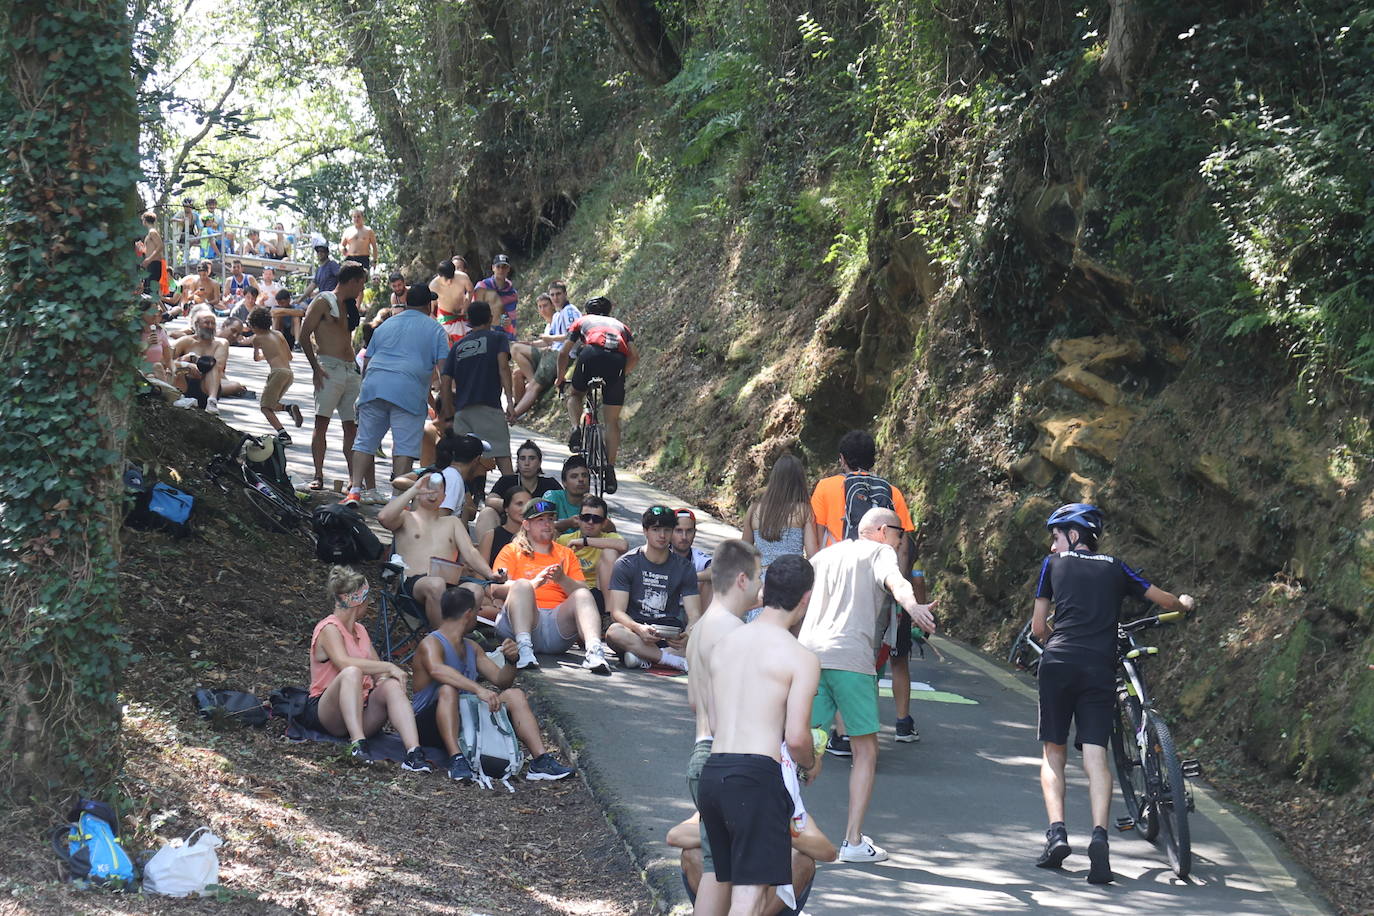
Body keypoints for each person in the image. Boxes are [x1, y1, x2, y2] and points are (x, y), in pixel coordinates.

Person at [1031, 503, 1195, 883]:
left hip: (1058, 664)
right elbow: (1165, 601)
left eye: (1056, 536)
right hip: (1098, 667)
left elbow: (1039, 627)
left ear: (1072, 535)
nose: (1054, 545)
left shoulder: (1052, 565)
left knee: (1053, 752)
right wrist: (1184, 603)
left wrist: (1058, 634)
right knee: (1096, 755)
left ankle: (1057, 835)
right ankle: (1100, 837)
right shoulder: (1115, 566)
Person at [796, 507, 937, 863]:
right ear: (879, 530)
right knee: (865, 752)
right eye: (898, 532)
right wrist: (914, 606)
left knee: (803, 745)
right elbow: (896, 581)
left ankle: (772, 823)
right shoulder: (880, 551)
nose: (900, 540)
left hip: (809, 657)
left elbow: (795, 597)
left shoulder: (825, 555)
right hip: (851, 661)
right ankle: (853, 841)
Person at [698, 554, 822, 914]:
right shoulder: (800, 658)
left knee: (722, 879)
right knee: (749, 896)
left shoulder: (725, 644)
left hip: (715, 770)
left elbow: (716, 721)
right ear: (806, 598)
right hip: (756, 778)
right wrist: (809, 762)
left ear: (764, 591)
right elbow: (797, 737)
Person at [811, 429, 923, 746]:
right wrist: (895, 588)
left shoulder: (826, 488)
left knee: (831, 649)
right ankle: (866, 730)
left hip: (834, 580)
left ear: (842, 459)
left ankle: (841, 732)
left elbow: (816, 537)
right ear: (874, 458)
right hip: (877, 586)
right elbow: (903, 546)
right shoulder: (893, 493)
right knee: (871, 657)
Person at [411, 587, 576, 782]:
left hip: (466, 719)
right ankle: (457, 759)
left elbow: (501, 681)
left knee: (514, 694)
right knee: (448, 689)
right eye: (478, 610)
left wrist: (511, 660)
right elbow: (438, 670)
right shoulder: (431, 643)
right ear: (468, 614)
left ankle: (540, 760)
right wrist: (478, 689)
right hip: (428, 724)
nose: (478, 615)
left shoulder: (472, 647)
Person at [682, 539, 764, 914]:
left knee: (720, 871)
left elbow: (696, 702)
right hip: (727, 757)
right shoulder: (734, 632)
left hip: (702, 754)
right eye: (759, 579)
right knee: (745, 876)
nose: (761, 589)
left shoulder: (700, 628)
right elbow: (730, 710)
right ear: (743, 579)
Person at [303, 566, 431, 772]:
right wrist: (389, 665)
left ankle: (414, 752)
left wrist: (385, 679)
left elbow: (378, 671)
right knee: (352, 672)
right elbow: (344, 662)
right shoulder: (329, 628)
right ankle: (358, 744)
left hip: (361, 710)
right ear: (358, 601)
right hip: (328, 713)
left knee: (390, 685)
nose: (370, 603)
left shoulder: (360, 630)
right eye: (367, 598)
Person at [344, 283, 449, 505]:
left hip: (374, 386)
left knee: (364, 442)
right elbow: (444, 369)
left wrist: (364, 391)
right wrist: (446, 402)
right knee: (404, 448)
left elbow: (368, 361)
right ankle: (396, 499)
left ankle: (354, 490)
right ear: (428, 304)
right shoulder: (435, 329)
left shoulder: (386, 325)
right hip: (408, 392)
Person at [490, 498, 611, 674]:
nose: (547, 524)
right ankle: (524, 650)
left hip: (557, 626)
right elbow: (495, 589)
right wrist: (533, 584)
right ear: (526, 524)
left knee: (584, 594)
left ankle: (594, 651)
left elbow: (583, 593)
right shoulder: (511, 550)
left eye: (550, 519)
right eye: (540, 520)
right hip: (523, 623)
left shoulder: (566, 553)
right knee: (523, 585)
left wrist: (562, 579)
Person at [378, 472, 502, 630]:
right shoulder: (405, 518)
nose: (431, 492)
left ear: (444, 497)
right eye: (427, 487)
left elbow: (470, 552)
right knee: (436, 584)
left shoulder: (452, 522)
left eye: (438, 489)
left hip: (449, 584)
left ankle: (458, 639)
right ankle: (441, 642)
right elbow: (383, 517)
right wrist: (415, 488)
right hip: (412, 587)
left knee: (475, 590)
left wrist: (490, 574)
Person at [604, 505, 701, 671]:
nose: (662, 535)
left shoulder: (684, 567)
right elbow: (617, 612)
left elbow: (694, 615)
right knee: (614, 632)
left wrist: (688, 634)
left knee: (703, 641)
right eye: (656, 529)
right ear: (645, 531)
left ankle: (643, 657)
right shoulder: (626, 564)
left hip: (669, 634)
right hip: (635, 632)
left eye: (667, 530)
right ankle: (668, 659)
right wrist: (638, 628)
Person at [558, 296, 637, 493]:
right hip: (617, 361)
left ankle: (576, 429)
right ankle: (609, 468)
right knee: (612, 422)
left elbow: (564, 352)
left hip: (591, 355)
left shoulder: (583, 321)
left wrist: (560, 377)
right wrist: (620, 376)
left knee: (575, 394)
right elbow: (634, 356)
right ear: (609, 312)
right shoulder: (621, 326)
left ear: (586, 312)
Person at [301, 261, 367, 491]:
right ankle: (318, 474)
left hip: (350, 369)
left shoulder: (349, 305)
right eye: (361, 284)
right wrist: (316, 368)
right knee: (322, 423)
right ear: (354, 281)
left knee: (351, 427)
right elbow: (303, 334)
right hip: (328, 366)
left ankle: (353, 480)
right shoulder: (323, 300)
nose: (362, 289)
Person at [439, 300, 514, 476]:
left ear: (468, 320)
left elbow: (445, 380)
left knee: (463, 463)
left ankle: (462, 500)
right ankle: (514, 498)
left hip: (463, 412)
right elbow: (503, 367)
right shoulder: (498, 338)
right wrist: (510, 402)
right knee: (502, 458)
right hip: (489, 408)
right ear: (490, 318)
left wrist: (449, 413)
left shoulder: (457, 346)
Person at [743, 453, 819, 570]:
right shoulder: (804, 511)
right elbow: (812, 554)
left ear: (774, 478)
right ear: (800, 481)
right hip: (793, 578)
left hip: (764, 580)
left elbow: (744, 552)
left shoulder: (754, 510)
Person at [555, 495, 628, 605]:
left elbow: (623, 546)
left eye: (596, 519)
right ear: (579, 519)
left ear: (604, 523)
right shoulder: (565, 540)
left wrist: (585, 541)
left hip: (599, 592)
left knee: (610, 552)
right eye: (586, 517)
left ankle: (608, 615)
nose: (590, 522)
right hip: (572, 590)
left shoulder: (608, 538)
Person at [171, 308, 246, 413]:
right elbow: (165, 359)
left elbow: (218, 366)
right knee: (177, 366)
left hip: (206, 385)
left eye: (213, 323)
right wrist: (184, 363)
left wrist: (194, 360)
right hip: (185, 382)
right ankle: (181, 397)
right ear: (196, 324)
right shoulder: (186, 341)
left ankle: (211, 401)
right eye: (207, 323)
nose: (210, 326)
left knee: (212, 365)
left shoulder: (221, 343)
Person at [248, 307, 305, 443]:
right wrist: (271, 355)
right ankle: (288, 408)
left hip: (277, 373)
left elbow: (256, 358)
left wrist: (264, 355)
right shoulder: (278, 334)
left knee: (265, 407)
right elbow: (289, 356)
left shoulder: (257, 339)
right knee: (272, 404)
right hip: (288, 373)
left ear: (255, 326)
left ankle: (283, 434)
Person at [671, 508, 715, 609]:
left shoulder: (698, 557)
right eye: (678, 531)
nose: (684, 537)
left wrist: (688, 577)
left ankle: (700, 623)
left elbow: (717, 571)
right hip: (662, 609)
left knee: (710, 581)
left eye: (689, 531)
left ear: (694, 533)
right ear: (670, 532)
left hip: (690, 609)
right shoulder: (661, 553)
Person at [544, 454, 595, 534]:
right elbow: (544, 525)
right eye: (574, 476)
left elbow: (611, 530)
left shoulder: (593, 502)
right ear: (564, 483)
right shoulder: (553, 496)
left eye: (584, 475)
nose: (581, 479)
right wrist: (568, 523)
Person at [479, 487, 530, 566]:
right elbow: (479, 572)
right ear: (506, 508)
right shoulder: (491, 536)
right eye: (519, 504)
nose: (524, 509)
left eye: (528, 505)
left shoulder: (535, 537)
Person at [475, 253, 519, 340]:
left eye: (504, 267)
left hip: (505, 335)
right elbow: (475, 312)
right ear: (493, 268)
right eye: (498, 266)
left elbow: (508, 316)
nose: (501, 270)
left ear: (508, 269)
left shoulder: (511, 293)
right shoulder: (482, 287)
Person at [430, 259, 471, 344]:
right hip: (444, 319)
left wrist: (466, 305)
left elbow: (470, 291)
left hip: (464, 314)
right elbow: (429, 312)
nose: (449, 282)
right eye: (446, 280)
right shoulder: (433, 286)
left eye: (452, 278)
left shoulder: (463, 277)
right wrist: (441, 329)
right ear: (439, 276)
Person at [140, 211, 165, 297]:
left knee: (152, 290)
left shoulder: (152, 232)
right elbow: (151, 249)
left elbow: (160, 246)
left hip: (154, 264)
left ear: (145, 221)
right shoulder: (149, 234)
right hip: (150, 264)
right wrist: (142, 249)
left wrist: (149, 259)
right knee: (147, 289)